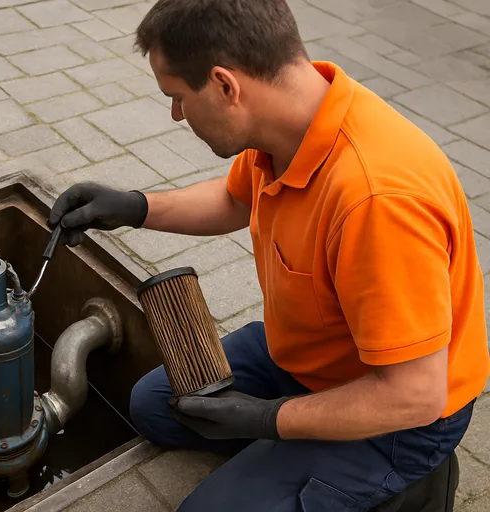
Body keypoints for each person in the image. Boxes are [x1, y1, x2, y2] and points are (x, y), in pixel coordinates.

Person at [47, 0, 490, 510]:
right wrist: (133, 207)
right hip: (307, 356)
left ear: (224, 85)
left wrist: (267, 419)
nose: (175, 114)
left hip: (400, 414)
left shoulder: (378, 200)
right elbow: (236, 198)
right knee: (154, 406)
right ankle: (293, 459)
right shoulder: (287, 122)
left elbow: (414, 395)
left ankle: (400, 484)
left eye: (177, 97)